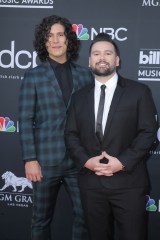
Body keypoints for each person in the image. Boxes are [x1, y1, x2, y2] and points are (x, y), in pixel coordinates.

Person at [65, 33, 158, 240]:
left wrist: (123, 162)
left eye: (108, 53)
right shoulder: (79, 97)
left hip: (129, 184)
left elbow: (148, 132)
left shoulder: (139, 92)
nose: (102, 58)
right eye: (96, 53)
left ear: (117, 60)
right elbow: (70, 134)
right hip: (92, 185)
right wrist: (86, 161)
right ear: (89, 61)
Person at [19, 15, 93, 240]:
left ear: (68, 39)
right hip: (45, 161)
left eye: (60, 34)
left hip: (79, 160)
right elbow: (24, 119)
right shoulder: (33, 76)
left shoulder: (85, 75)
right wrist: (30, 159)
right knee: (41, 220)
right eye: (49, 36)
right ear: (44, 43)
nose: (55, 40)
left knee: (86, 216)